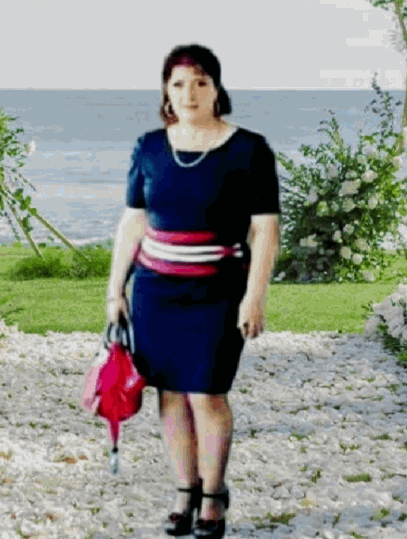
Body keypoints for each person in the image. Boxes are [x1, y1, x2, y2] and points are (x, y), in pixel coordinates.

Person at [106, 43, 281, 538]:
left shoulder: (249, 149)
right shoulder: (149, 147)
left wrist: (255, 296)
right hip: (155, 293)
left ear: (217, 89)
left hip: (218, 294)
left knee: (207, 394)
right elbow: (133, 222)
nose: (190, 93)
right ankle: (185, 490)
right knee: (170, 395)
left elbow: (265, 228)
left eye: (201, 82)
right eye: (179, 83)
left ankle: (213, 496)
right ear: (166, 91)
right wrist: (115, 290)